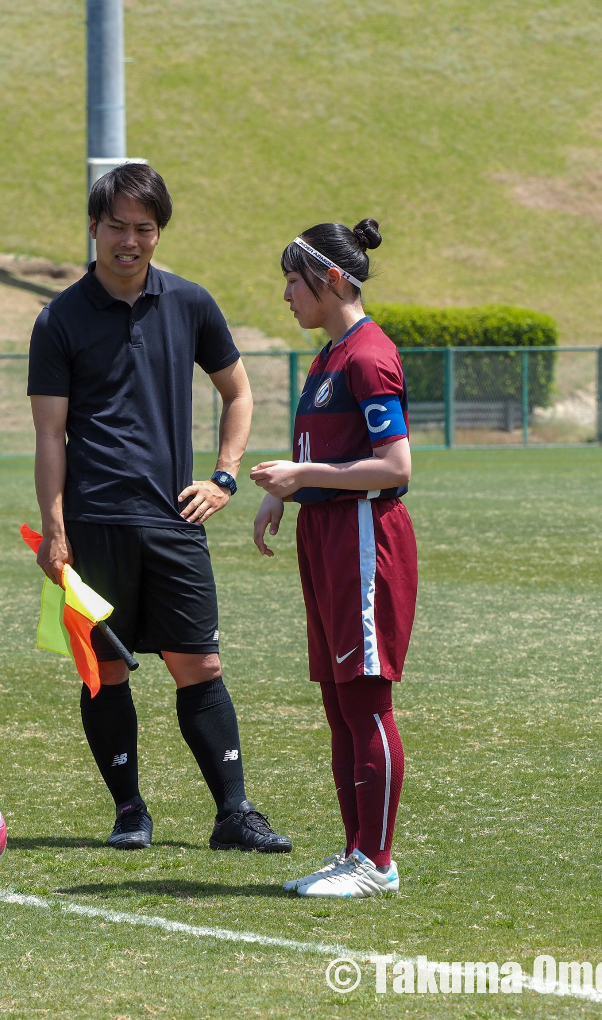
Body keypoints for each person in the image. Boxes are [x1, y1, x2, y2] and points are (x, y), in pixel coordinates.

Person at [28, 163, 291, 855]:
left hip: (175, 522)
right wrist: (55, 530)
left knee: (199, 666)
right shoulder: (58, 319)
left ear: (158, 233)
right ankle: (129, 811)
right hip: (93, 525)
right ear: (93, 227)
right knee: (106, 671)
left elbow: (239, 392)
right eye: (116, 226)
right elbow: (49, 435)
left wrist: (224, 477)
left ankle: (234, 813)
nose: (130, 240)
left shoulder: (191, 303)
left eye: (143, 228)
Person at [250, 218, 415, 898]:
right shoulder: (327, 358)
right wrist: (284, 492)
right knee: (339, 701)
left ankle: (377, 862)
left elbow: (395, 466)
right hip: (324, 535)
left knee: (365, 699)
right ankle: (354, 853)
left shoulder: (368, 356)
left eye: (295, 280)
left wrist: (303, 477)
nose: (287, 295)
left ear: (334, 280)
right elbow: (324, 450)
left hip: (363, 537)